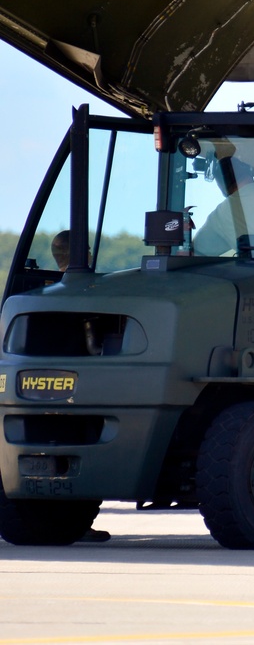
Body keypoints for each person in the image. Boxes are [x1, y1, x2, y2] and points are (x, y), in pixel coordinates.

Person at [50, 231, 112, 543]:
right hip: (83, 388)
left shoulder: (42, 293)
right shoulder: (88, 294)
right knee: (85, 454)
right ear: (79, 255)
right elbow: (93, 347)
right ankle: (79, 522)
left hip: (43, 391)